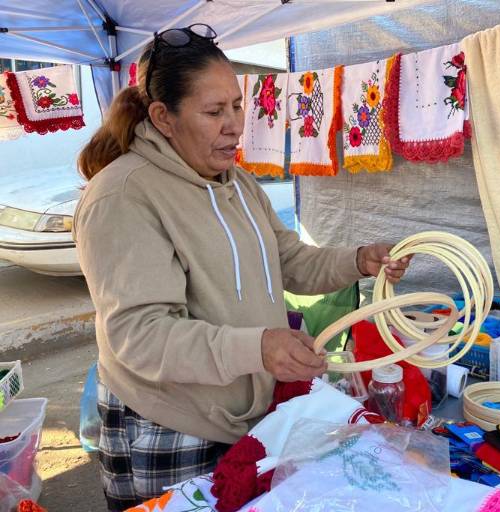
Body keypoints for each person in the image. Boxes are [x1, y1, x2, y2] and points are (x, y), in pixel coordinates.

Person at [74, 24, 410, 510]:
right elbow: (141, 335)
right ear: (163, 117)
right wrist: (260, 347)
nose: (235, 125)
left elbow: (289, 261)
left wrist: (358, 260)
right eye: (214, 112)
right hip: (168, 423)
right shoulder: (123, 196)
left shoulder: (236, 182)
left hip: (242, 410)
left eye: (237, 105)